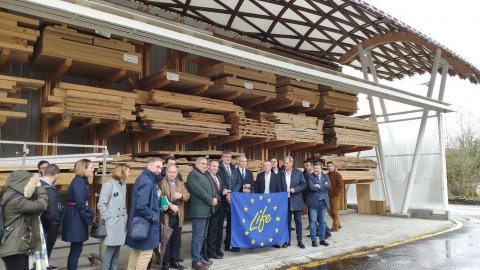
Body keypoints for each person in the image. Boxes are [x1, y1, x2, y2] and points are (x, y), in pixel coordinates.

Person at [0, 171, 48, 270]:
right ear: (22, 182)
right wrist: (39, 188)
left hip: (16, 245)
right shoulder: (16, 200)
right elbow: (42, 205)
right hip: (13, 248)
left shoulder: (11, 195)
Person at [125, 158, 163, 270]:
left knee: (136, 251)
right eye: (157, 166)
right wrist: (154, 217)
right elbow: (141, 206)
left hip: (140, 223)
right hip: (146, 224)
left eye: (161, 167)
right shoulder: (148, 182)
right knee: (146, 254)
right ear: (149, 166)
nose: (160, 170)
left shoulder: (143, 178)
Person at [62, 159, 95, 270]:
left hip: (76, 216)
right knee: (76, 250)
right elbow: (80, 203)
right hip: (76, 218)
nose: (93, 169)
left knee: (76, 249)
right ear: (83, 169)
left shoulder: (81, 181)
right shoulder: (79, 182)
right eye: (91, 167)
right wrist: (91, 213)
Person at [187, 157, 218, 270]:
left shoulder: (205, 174)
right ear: (197, 164)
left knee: (203, 236)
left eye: (206, 164)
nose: (205, 165)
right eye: (203, 164)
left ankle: (200, 258)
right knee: (197, 237)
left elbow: (213, 188)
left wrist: (215, 198)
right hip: (199, 211)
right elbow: (199, 191)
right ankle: (195, 261)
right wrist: (211, 200)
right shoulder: (193, 175)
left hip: (207, 211)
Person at [97, 164, 130, 270]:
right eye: (128, 171)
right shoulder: (109, 185)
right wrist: (108, 218)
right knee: (110, 249)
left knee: (117, 249)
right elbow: (101, 204)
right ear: (122, 172)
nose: (129, 173)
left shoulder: (123, 185)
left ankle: (114, 268)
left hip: (121, 222)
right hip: (113, 222)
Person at [160, 165, 190, 270]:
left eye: (174, 172)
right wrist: (170, 206)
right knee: (166, 239)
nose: (172, 174)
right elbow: (159, 199)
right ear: (166, 172)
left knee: (177, 240)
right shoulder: (161, 183)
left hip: (178, 215)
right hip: (166, 215)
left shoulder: (181, 183)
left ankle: (175, 261)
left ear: (177, 173)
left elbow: (187, 195)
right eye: (170, 172)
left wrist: (181, 196)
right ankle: (166, 262)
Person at [279, 156, 306, 249]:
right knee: (287, 222)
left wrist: (295, 189)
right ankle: (288, 241)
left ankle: (300, 241)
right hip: (285, 200)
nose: (285, 165)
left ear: (291, 163)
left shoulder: (298, 172)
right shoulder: (281, 173)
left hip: (296, 200)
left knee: (298, 221)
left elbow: (303, 184)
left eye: (287, 163)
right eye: (284, 163)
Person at [39, 163, 63, 270]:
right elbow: (51, 211)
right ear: (56, 175)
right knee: (46, 248)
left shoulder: (39, 184)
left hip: (42, 224)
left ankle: (45, 264)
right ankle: (44, 266)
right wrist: (55, 222)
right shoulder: (47, 188)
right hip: (48, 226)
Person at [217, 151, 241, 252]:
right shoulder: (218, 168)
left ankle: (229, 244)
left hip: (232, 200)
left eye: (230, 157)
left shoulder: (234, 169)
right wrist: (226, 194)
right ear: (222, 158)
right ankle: (216, 248)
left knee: (232, 224)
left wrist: (232, 193)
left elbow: (238, 182)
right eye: (226, 156)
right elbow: (218, 181)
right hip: (222, 200)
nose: (228, 158)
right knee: (219, 224)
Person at [203, 160, 224, 260]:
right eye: (214, 166)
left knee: (214, 231)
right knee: (208, 232)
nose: (215, 168)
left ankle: (213, 250)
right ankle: (209, 252)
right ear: (208, 167)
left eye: (217, 167)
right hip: (209, 207)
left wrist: (224, 191)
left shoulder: (218, 177)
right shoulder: (206, 177)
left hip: (217, 208)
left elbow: (219, 191)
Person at [306, 162, 331, 247]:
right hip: (313, 202)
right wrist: (323, 186)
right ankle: (314, 240)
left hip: (323, 202)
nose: (316, 169)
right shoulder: (309, 176)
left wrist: (318, 185)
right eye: (315, 168)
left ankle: (322, 239)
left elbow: (329, 186)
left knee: (322, 222)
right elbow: (311, 187)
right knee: (313, 221)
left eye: (317, 168)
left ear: (321, 169)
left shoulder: (325, 176)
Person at [327, 161, 344, 231]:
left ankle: (335, 227)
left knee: (335, 211)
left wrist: (334, 192)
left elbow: (341, 185)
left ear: (333, 166)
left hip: (335, 196)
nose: (329, 167)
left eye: (330, 166)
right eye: (328, 166)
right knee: (329, 210)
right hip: (328, 196)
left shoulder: (337, 175)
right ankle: (338, 223)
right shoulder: (327, 175)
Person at [303, 159, 313, 231]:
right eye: (305, 165)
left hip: (315, 197)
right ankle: (311, 225)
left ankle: (325, 231)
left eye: (307, 165)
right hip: (307, 196)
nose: (306, 167)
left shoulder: (315, 174)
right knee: (310, 212)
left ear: (311, 166)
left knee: (315, 214)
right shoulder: (303, 173)